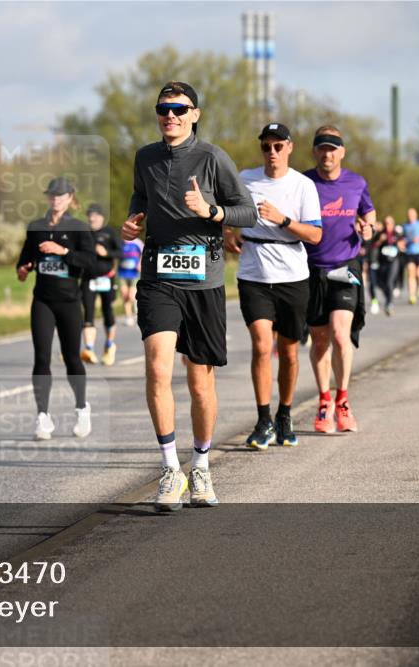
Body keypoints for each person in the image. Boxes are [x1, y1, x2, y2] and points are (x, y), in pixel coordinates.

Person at [121, 81, 255, 511]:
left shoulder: (213, 158)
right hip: (159, 280)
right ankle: (169, 470)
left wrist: (212, 212)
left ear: (194, 114)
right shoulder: (145, 157)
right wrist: (131, 221)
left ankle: (200, 465)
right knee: (159, 368)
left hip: (205, 283)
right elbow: (140, 195)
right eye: (163, 108)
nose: (171, 116)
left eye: (179, 109)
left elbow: (247, 211)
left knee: (200, 382)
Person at [226, 123, 322, 450]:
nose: (272, 152)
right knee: (262, 345)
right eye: (266, 146)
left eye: (278, 146)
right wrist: (230, 235)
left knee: (289, 352)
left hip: (293, 276)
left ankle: (285, 413)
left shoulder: (303, 185)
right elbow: (229, 215)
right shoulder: (245, 179)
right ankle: (263, 418)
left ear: (290, 148)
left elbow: (315, 235)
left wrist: (282, 219)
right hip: (254, 274)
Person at [304, 126, 376, 434]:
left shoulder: (356, 182)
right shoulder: (304, 182)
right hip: (311, 268)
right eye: (322, 147)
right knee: (319, 339)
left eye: (333, 148)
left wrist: (368, 228)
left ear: (342, 152)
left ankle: (343, 401)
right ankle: (324, 402)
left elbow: (369, 214)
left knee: (339, 334)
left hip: (346, 266)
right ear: (314, 151)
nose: (327, 153)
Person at [17, 178, 94, 440]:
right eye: (52, 195)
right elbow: (26, 256)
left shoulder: (79, 227)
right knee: (41, 357)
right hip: (43, 300)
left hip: (70, 301)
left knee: (72, 357)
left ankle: (82, 407)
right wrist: (24, 268)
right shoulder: (36, 226)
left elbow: (89, 261)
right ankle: (42, 417)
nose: (56, 200)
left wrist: (62, 250)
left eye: (61, 196)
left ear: (70, 197)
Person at [80, 203, 122, 366]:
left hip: (107, 278)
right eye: (89, 215)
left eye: (95, 215)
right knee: (88, 313)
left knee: (107, 311)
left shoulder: (110, 232)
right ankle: (89, 349)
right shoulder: (83, 233)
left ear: (102, 217)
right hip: (88, 279)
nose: (92, 218)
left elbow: (121, 252)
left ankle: (109, 346)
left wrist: (106, 253)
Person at [371, 216, 403, 316]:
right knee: (381, 284)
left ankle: (389, 303)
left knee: (389, 281)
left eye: (389, 223)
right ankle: (388, 298)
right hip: (383, 262)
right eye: (386, 223)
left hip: (394, 261)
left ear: (393, 224)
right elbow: (373, 246)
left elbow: (402, 245)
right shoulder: (380, 234)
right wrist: (380, 240)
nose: (387, 225)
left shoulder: (397, 234)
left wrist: (399, 243)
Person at [402, 208, 419, 305]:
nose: (410, 216)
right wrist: (404, 241)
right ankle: (412, 295)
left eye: (412, 215)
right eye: (409, 215)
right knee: (410, 273)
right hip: (409, 253)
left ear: (416, 215)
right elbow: (402, 237)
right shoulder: (405, 226)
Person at [118, 237, 143, 326]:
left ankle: (137, 310)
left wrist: (140, 264)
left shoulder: (137, 243)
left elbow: (144, 253)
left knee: (131, 296)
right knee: (125, 296)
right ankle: (129, 317)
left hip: (134, 273)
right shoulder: (120, 243)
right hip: (123, 273)